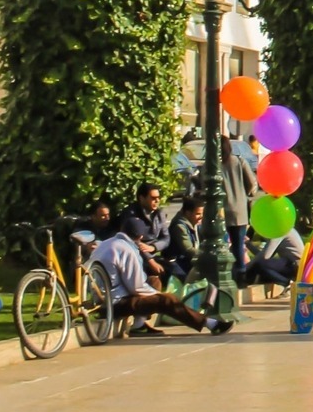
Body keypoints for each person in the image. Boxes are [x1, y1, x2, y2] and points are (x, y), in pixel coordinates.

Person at [92, 227, 229, 334]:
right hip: (114, 304)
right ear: (140, 237)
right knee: (167, 300)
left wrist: (152, 292)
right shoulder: (126, 250)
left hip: (104, 297)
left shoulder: (107, 243)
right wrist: (159, 295)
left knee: (154, 281)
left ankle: (139, 325)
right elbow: (136, 287)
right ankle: (210, 324)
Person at [222, 134, 258, 281]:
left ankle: (226, 274)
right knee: (238, 245)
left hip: (220, 211)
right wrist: (246, 194)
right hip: (239, 210)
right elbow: (252, 184)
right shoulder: (238, 161)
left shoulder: (211, 165)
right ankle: (241, 276)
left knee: (222, 245)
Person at [246, 223, 306, 292]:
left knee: (259, 265)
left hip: (295, 266)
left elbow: (265, 257)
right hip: (291, 264)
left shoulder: (279, 232)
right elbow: (266, 256)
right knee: (260, 266)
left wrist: (249, 265)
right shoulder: (284, 228)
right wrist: (248, 244)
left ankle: (288, 283)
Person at [163, 194, 204, 282]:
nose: (201, 217)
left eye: (202, 214)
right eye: (198, 214)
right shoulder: (180, 226)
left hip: (189, 261)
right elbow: (188, 249)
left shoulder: (195, 223)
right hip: (177, 262)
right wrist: (206, 255)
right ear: (188, 213)